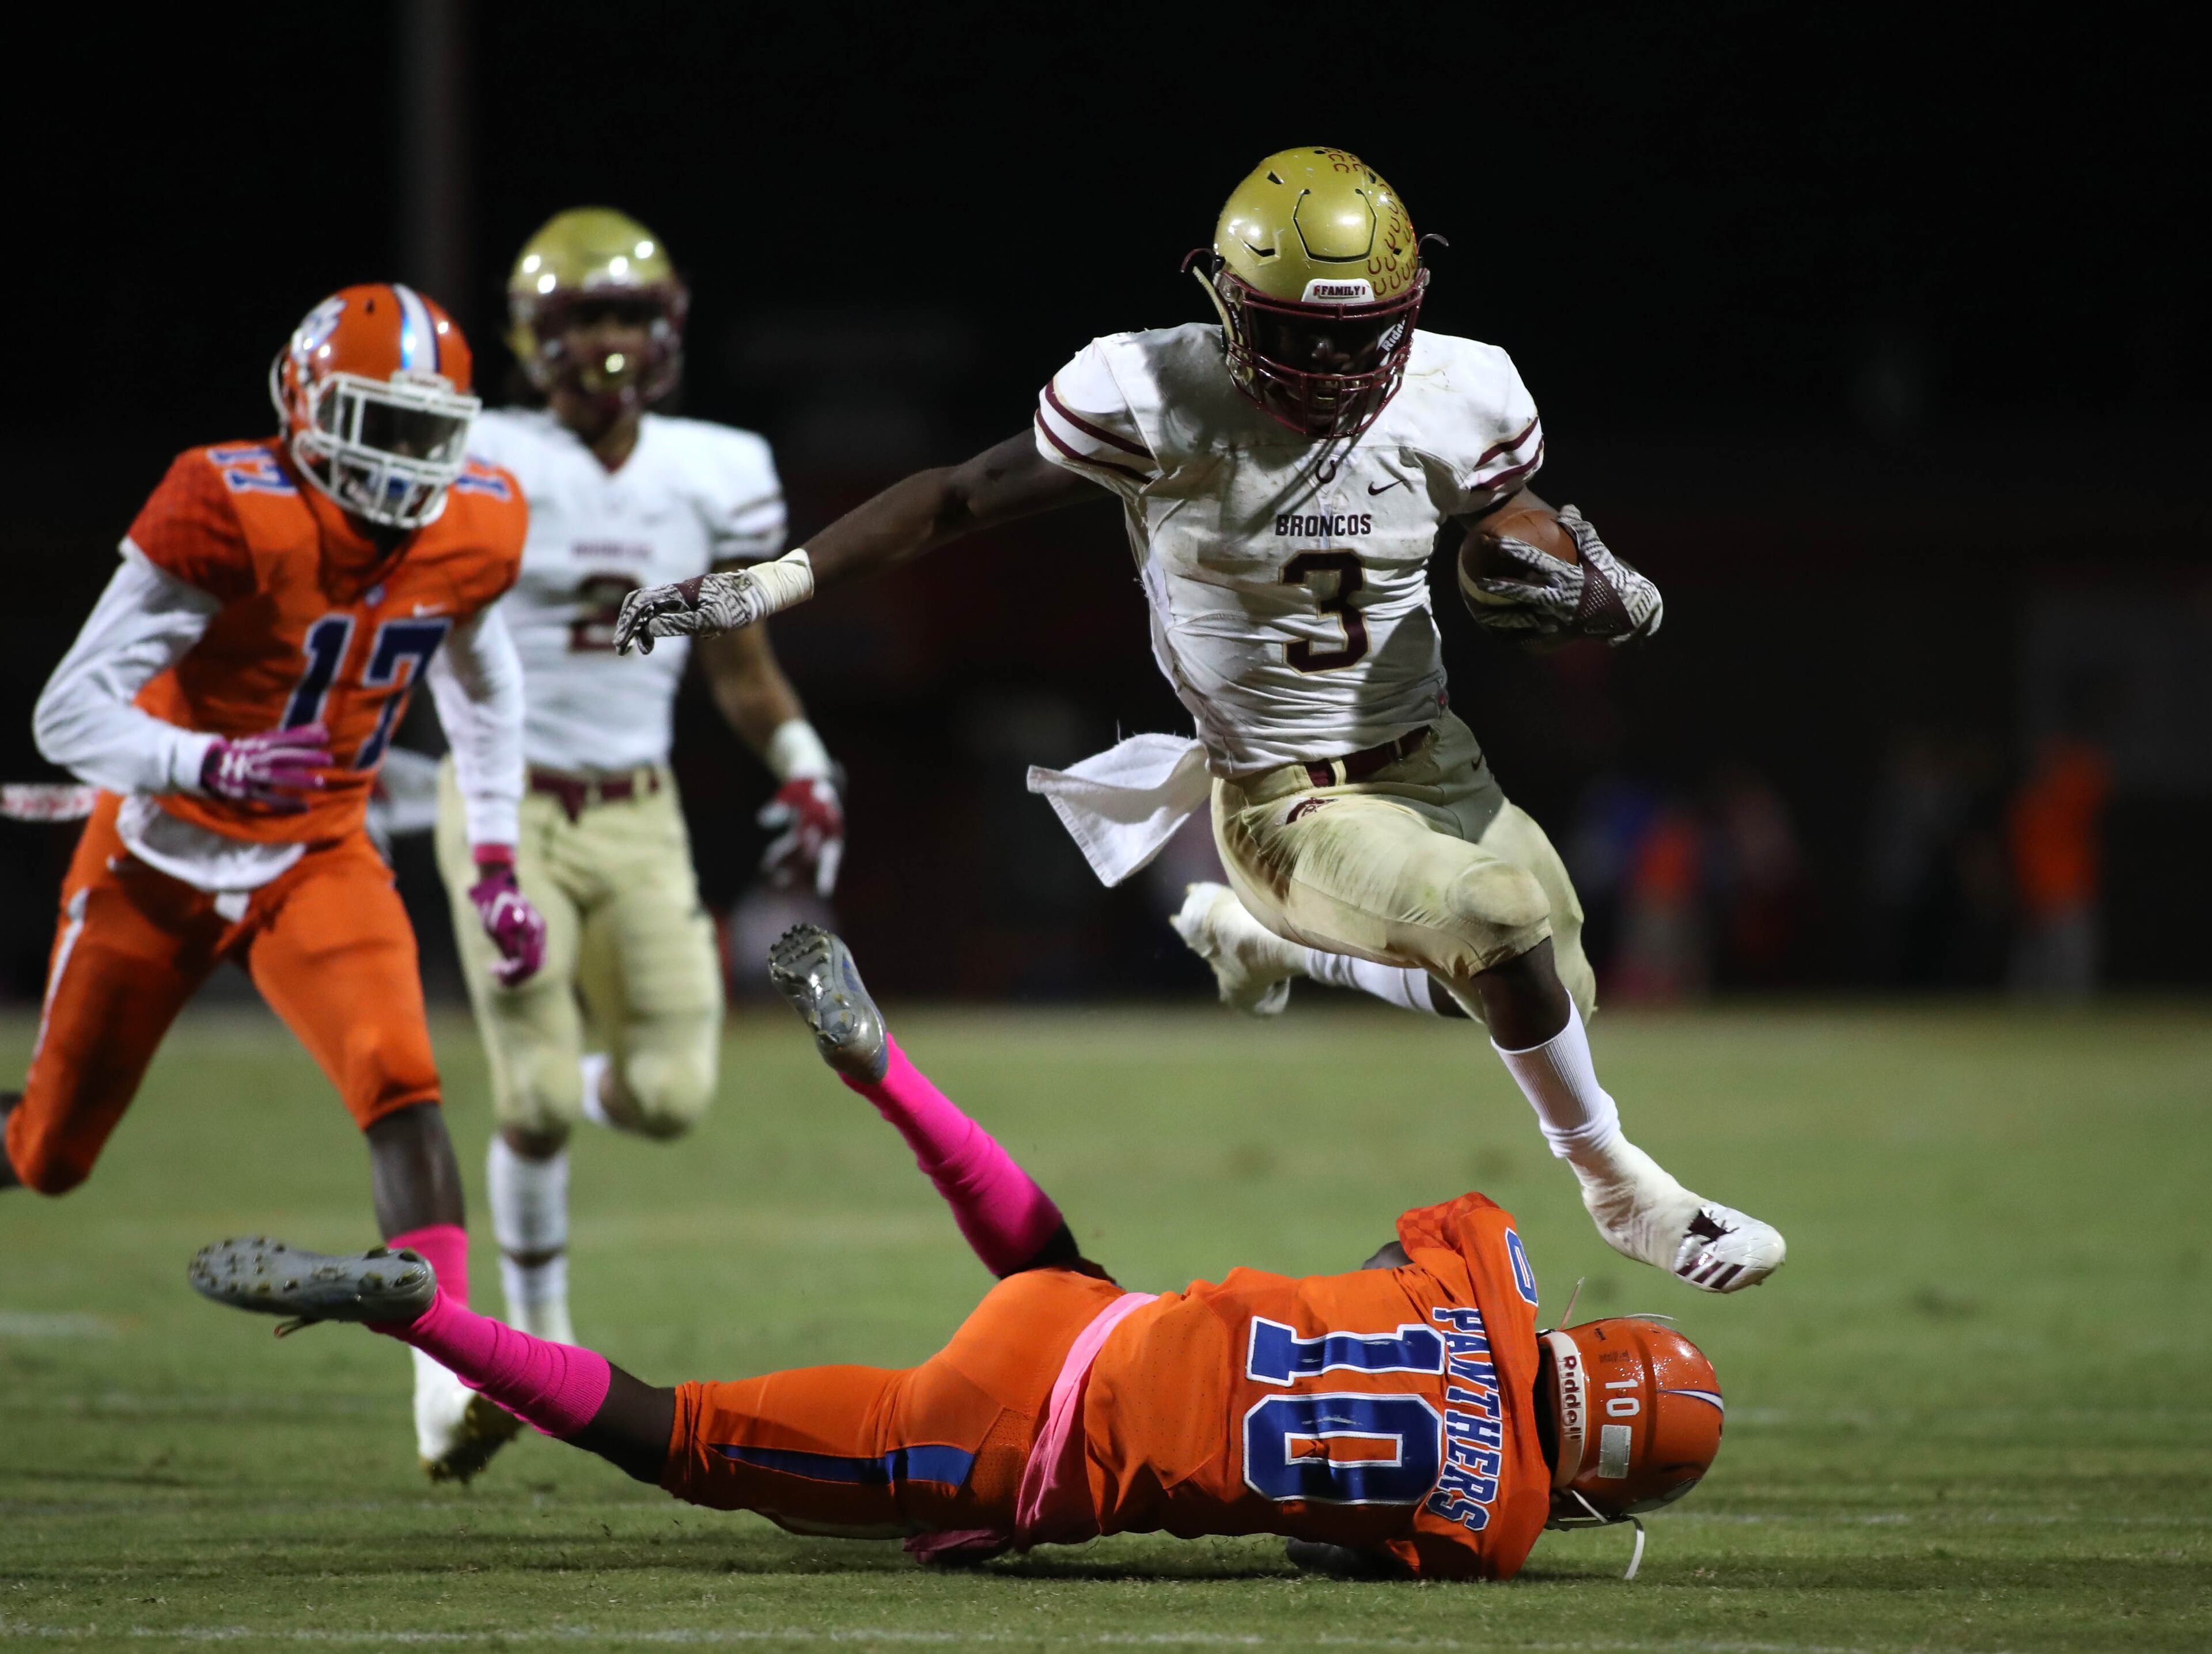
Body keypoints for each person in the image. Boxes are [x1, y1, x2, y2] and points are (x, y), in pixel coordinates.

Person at [610, 147, 1783, 1293]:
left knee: (1548, 990)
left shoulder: (1459, 388)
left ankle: (1275, 944)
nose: (1329, 369)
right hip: (1286, 796)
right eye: (1297, 337)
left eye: (1354, 335)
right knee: (1501, 917)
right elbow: (960, 493)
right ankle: (1618, 1182)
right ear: (1224, 304)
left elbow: (1513, 522)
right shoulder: (1155, 393)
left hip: (1438, 756)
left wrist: (1609, 589)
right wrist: (766, 583)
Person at [190, 924, 1724, 1580]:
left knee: (1064, 1277)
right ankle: (420, 1321)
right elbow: (1330, 1545)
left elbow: (1396, 1251)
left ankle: (890, 1076)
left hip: (1090, 1326)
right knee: (694, 1440)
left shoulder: (1493, 1258)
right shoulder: (1502, 1528)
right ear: (1602, 1484)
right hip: (1024, 1453)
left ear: (1592, 1347)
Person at [1, 284, 547, 1482]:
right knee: (49, 1155)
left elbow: (485, 688)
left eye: (425, 430)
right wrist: (213, 758)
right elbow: (66, 709)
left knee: (403, 1083)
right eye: (378, 424)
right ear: (304, 405)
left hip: (318, 854)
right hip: (159, 855)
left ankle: (446, 1383)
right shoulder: (229, 504)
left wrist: (497, 854)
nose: (405, 462)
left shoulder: (479, 523)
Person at [442, 208, 846, 1347]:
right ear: (535, 334)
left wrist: (805, 762)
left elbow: (742, 668)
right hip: (502, 801)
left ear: (666, 326)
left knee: (670, 1098)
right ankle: (539, 1341)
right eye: (585, 317)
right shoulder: (485, 454)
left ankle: (559, 1079)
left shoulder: (719, 468)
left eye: (627, 313)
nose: (609, 340)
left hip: (638, 807)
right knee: (523, 1099)